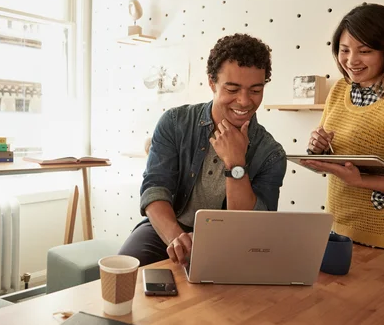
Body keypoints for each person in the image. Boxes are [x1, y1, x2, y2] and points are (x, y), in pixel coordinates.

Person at [118, 33, 287, 267]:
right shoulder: (175, 123)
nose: (244, 101)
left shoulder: (271, 154)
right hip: (169, 227)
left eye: (255, 90)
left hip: (232, 240)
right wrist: (177, 239)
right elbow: (155, 190)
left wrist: (236, 163)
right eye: (232, 89)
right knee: (126, 269)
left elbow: (254, 227)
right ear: (211, 83)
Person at [304, 3, 384, 255]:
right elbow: (333, 152)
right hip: (336, 227)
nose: (351, 61)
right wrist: (317, 148)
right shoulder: (340, 89)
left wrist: (360, 180)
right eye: (344, 50)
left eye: (364, 51)